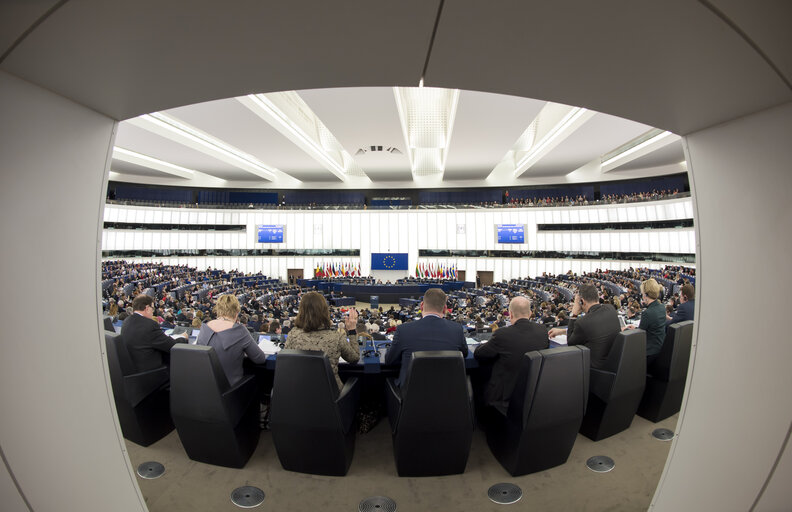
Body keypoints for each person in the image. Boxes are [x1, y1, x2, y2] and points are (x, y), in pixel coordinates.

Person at [474, 296, 549, 414]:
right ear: (530, 313)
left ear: (510, 314)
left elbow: (479, 354)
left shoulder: (502, 334)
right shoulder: (543, 330)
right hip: (534, 392)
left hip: (505, 397)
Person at [385, 288, 468, 387]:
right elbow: (465, 353)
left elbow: (389, 360)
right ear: (445, 309)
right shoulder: (457, 330)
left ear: (421, 306)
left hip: (411, 398)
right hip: (449, 395)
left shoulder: (403, 330)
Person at [284, 291, 359, 390]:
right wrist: (352, 330)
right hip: (331, 396)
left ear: (301, 311)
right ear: (325, 311)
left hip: (299, 394)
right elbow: (354, 358)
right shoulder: (336, 337)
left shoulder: (292, 335)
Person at [195, 294, 268, 386]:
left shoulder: (204, 327)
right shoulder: (240, 331)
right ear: (237, 312)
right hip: (230, 391)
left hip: (204, 387)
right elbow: (260, 359)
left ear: (217, 310)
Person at [548, 283, 620, 369]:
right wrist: (562, 331)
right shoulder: (610, 309)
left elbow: (570, 343)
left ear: (582, 301)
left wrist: (574, 314)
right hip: (613, 366)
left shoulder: (583, 322)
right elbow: (591, 330)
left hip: (594, 371)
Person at [122, 294, 188, 372]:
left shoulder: (126, 321)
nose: (153, 312)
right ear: (147, 308)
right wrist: (183, 337)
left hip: (133, 369)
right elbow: (172, 345)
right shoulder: (149, 324)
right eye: (152, 308)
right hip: (150, 374)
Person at [625, 278, 666, 364]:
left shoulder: (647, 313)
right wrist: (636, 328)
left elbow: (639, 336)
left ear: (646, 295)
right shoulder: (662, 307)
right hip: (660, 350)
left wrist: (626, 330)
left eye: (643, 294)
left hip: (649, 354)